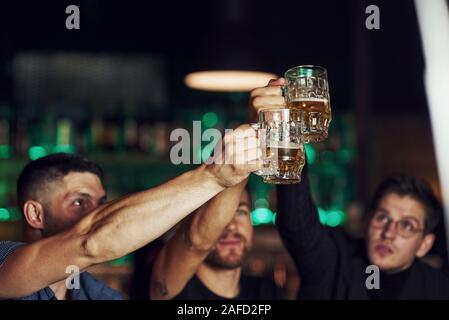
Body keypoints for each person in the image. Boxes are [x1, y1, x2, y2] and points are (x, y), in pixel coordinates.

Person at [0, 124, 261, 300]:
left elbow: (195, 242)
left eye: (102, 203)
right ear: (35, 214)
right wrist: (214, 177)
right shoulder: (5, 264)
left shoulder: (96, 293)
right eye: (80, 202)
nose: (96, 213)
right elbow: (91, 240)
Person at [251, 78, 449, 299]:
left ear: (424, 244)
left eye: (407, 225)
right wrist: (283, 131)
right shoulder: (333, 259)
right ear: (366, 222)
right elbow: (296, 221)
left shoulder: (438, 288)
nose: (389, 233)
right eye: (382, 218)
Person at [149, 184, 283, 300]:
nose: (231, 225)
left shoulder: (266, 291)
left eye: (240, 212)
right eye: (217, 216)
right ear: (190, 223)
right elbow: (194, 241)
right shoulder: (172, 288)